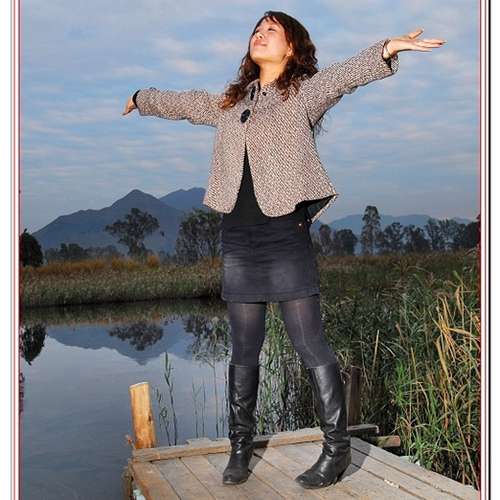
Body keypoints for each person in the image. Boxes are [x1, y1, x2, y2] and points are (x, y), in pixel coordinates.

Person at [123, 10, 445, 489]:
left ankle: (335, 450)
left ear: (291, 48)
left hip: (284, 234)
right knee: (244, 347)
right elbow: (187, 103)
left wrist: (387, 48)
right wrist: (140, 97)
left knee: (309, 343)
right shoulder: (231, 102)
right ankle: (240, 446)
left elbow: (344, 76)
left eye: (271, 30)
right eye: (257, 29)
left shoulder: (303, 94)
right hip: (238, 236)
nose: (260, 34)